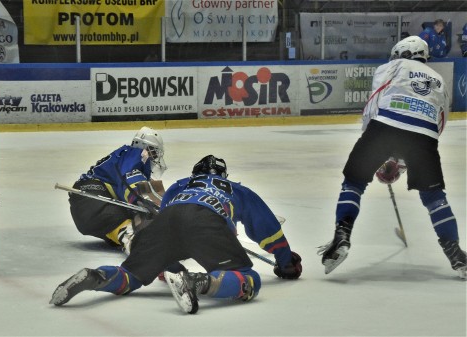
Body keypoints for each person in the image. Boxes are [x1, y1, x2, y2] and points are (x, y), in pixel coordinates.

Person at [50, 155, 302, 314]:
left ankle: (96, 276)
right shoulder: (237, 189)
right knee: (249, 279)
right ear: (224, 176)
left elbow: (164, 225)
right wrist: (286, 263)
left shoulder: (181, 185)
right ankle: (197, 282)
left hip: (168, 221)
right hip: (208, 222)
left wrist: (167, 267)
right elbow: (268, 231)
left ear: (195, 175)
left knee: (131, 276)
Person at [318, 36, 466, 280]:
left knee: (354, 183)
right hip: (424, 137)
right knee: (434, 198)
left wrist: (378, 155)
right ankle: (456, 254)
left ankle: (342, 236)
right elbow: (438, 123)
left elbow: (374, 106)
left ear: (401, 54)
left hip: (385, 126)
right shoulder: (438, 78)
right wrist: (402, 163)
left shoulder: (391, 67)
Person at [68, 126, 167, 253]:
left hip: (89, 205)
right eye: (153, 152)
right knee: (135, 218)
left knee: (133, 217)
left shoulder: (125, 157)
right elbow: (131, 180)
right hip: (90, 196)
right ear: (145, 148)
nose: (155, 157)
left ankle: (124, 234)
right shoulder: (134, 154)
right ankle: (133, 240)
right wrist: (155, 204)